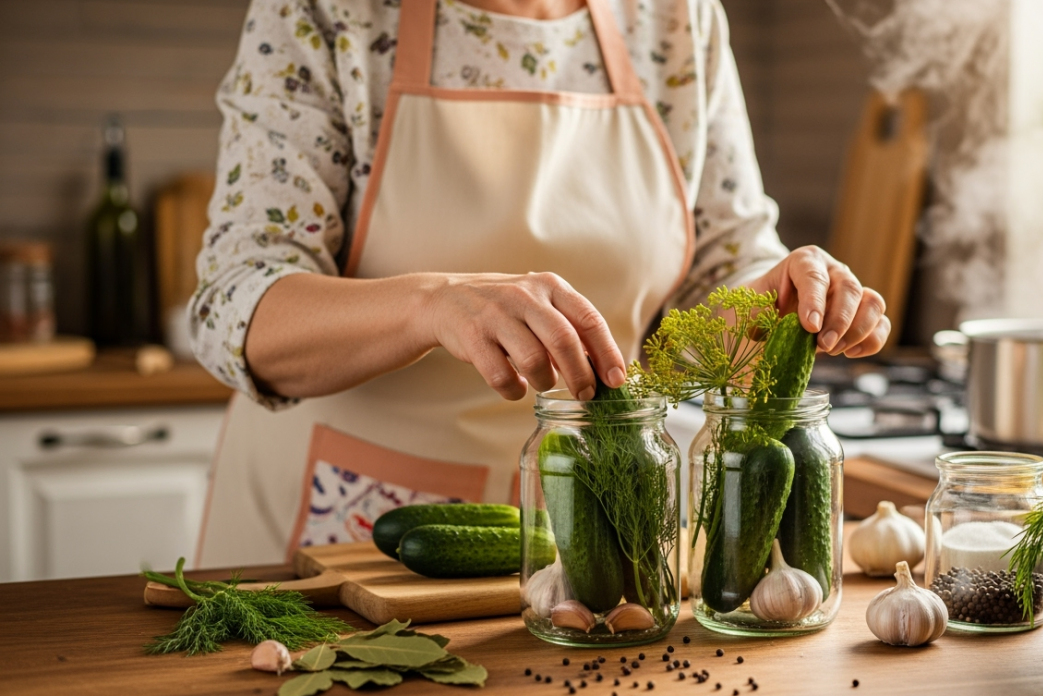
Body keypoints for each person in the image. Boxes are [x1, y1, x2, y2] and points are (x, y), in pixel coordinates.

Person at [190, 0, 888, 567]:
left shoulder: (676, 18)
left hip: (594, 538)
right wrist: (431, 305)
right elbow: (237, 304)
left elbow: (719, 270)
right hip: (353, 531)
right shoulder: (324, 13)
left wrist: (769, 296)